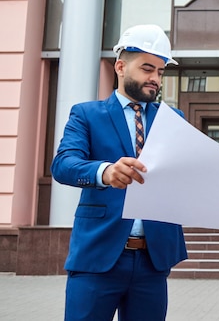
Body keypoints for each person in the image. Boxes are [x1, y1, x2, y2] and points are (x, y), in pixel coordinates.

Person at [50, 24, 188, 321]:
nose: (155, 78)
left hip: (153, 260)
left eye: (161, 72)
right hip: (98, 256)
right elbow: (63, 164)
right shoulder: (86, 114)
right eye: (147, 69)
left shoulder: (172, 118)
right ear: (121, 66)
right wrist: (105, 171)